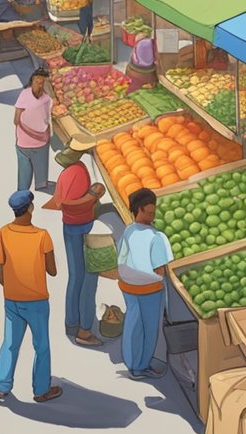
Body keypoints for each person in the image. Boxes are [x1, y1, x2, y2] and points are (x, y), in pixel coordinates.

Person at [0, 191, 62, 404]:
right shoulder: (42, 235)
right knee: (41, 346)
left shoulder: (3, 233)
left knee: (10, 343)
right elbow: (52, 270)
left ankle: (2, 387)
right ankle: (41, 390)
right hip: (37, 301)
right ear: (30, 208)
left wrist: (14, 285)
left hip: (12, 299)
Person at [46, 138, 105, 347]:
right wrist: (93, 195)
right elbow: (67, 204)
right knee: (88, 278)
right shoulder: (76, 172)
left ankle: (72, 322)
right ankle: (84, 331)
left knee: (76, 276)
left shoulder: (69, 171)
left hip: (70, 227)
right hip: (80, 227)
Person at [117, 188, 172, 380]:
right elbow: (160, 270)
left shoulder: (128, 231)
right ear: (139, 210)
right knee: (149, 328)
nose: (152, 215)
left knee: (133, 323)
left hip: (128, 287)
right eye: (149, 212)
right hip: (150, 290)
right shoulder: (156, 237)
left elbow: (120, 257)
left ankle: (132, 363)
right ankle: (141, 366)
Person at [14, 67, 53, 192]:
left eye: (42, 82)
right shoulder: (24, 94)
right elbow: (16, 118)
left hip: (41, 141)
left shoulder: (48, 98)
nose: (40, 85)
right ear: (32, 81)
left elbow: (49, 115)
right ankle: (24, 191)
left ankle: (39, 186)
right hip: (25, 142)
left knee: (40, 172)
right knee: (24, 172)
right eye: (37, 81)